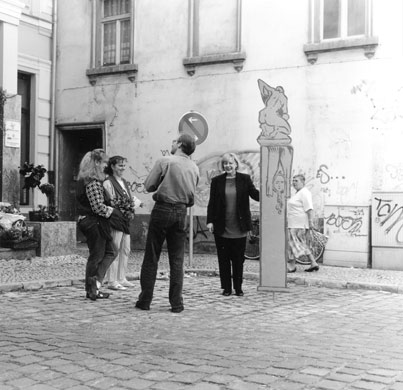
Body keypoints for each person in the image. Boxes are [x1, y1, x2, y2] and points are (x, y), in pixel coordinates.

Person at [135, 133, 199, 313]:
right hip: (181, 211)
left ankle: (145, 300)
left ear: (179, 144)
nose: (171, 143)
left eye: (174, 141)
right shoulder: (194, 167)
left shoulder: (165, 161)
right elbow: (192, 198)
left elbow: (148, 186)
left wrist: (161, 187)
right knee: (177, 259)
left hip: (162, 209)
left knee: (152, 255)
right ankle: (177, 303)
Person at [206, 153, 260, 296]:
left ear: (236, 164)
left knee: (238, 260)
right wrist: (210, 221)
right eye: (225, 164)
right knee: (224, 259)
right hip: (222, 226)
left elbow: (255, 194)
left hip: (239, 227)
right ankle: (227, 288)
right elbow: (212, 203)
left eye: (230, 163)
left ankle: (238, 287)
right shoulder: (217, 181)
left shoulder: (245, 179)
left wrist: (270, 194)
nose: (228, 166)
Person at [76, 148, 125, 300]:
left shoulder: (91, 180)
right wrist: (115, 211)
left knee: (110, 251)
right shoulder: (93, 182)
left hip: (93, 221)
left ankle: (95, 285)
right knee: (97, 256)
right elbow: (97, 207)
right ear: (96, 163)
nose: (107, 165)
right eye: (104, 162)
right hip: (93, 222)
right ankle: (92, 288)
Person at [103, 156, 143, 291]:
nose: (123, 168)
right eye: (120, 166)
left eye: (124, 166)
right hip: (115, 219)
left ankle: (121, 277)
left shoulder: (124, 182)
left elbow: (127, 198)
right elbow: (110, 201)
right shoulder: (108, 182)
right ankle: (111, 280)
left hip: (125, 219)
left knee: (125, 249)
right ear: (113, 166)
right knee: (114, 249)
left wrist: (133, 204)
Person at [287, 174, 319, 273]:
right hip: (294, 223)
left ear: (302, 182)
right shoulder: (298, 193)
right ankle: (313, 263)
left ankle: (292, 266)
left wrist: (310, 222)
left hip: (299, 224)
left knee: (293, 244)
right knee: (297, 244)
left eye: (296, 181)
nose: (294, 183)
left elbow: (309, 209)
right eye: (293, 181)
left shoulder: (305, 193)